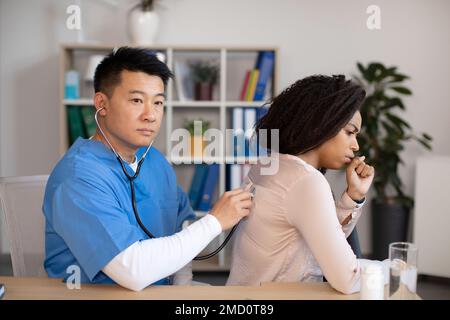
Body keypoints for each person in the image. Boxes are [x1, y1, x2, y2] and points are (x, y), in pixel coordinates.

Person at [43, 47, 252, 291]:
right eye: (136, 100)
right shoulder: (78, 177)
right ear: (102, 104)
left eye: (158, 102)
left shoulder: (154, 160)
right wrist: (214, 222)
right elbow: (133, 271)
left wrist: (181, 292)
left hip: (157, 292)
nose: (150, 115)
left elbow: (179, 228)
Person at [226, 75, 389, 294]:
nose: (355, 145)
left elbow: (322, 238)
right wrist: (395, 268)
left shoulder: (270, 165)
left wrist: (353, 196)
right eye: (349, 132)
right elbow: (347, 279)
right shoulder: (306, 181)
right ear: (320, 125)